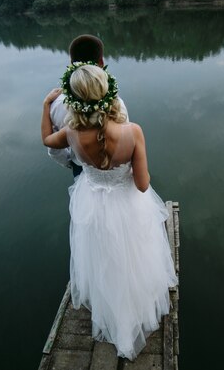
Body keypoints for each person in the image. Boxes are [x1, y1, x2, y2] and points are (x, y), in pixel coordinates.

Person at [41, 64, 178, 360]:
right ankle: (135, 310)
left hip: (92, 204)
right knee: (134, 255)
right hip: (126, 205)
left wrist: (45, 106)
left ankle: (114, 311)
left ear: (74, 99)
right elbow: (143, 185)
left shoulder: (71, 131)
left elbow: (46, 141)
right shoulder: (132, 132)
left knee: (103, 259)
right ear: (108, 92)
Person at [48, 34, 128, 176]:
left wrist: (71, 163)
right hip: (115, 170)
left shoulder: (56, 104)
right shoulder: (116, 103)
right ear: (101, 62)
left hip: (81, 170)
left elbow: (54, 149)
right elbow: (124, 140)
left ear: (72, 63)